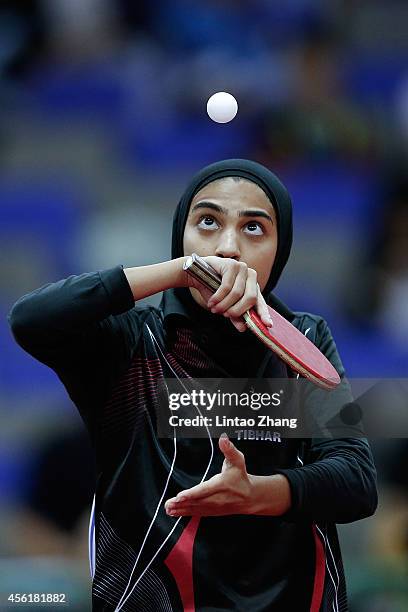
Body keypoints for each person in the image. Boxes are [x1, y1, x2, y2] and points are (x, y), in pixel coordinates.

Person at [8, 159, 377, 612]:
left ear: (280, 251)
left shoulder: (303, 341)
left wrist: (257, 494)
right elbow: (30, 320)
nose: (228, 247)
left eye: (255, 229)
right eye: (207, 222)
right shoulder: (130, 341)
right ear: (181, 237)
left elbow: (356, 481)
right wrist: (179, 271)